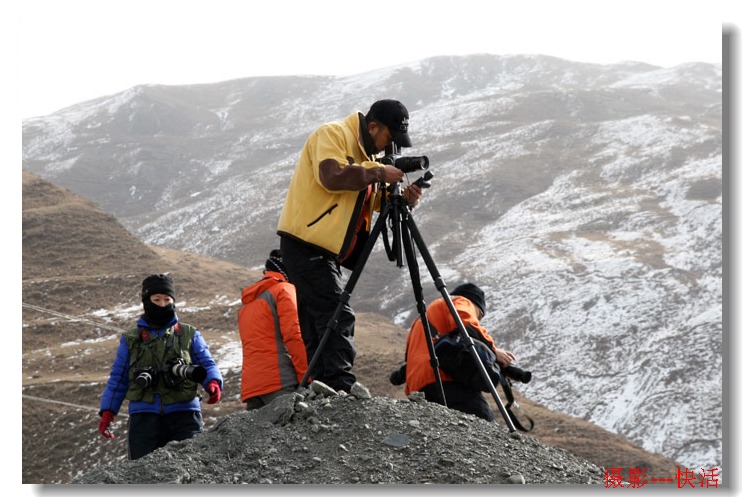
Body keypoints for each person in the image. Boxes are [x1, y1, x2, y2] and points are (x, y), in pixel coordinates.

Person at [276, 99, 424, 392]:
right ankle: (340, 386)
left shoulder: (366, 156)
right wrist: (379, 172)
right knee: (336, 314)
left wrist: (404, 200)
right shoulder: (331, 134)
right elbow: (332, 177)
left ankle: (320, 387)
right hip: (306, 242)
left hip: (324, 249)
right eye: (389, 138)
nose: (388, 148)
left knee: (318, 322)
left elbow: (363, 200)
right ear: (372, 127)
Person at [97, 273, 224, 460]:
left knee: (192, 470)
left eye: (167, 299)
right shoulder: (131, 339)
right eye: (156, 299)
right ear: (146, 301)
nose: (162, 304)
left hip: (185, 416)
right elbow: (119, 377)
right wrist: (108, 411)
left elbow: (206, 363)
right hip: (143, 418)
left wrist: (213, 382)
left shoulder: (189, 334)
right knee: (142, 477)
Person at [403, 283, 517, 422]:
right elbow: (465, 323)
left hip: (418, 388)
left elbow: (413, 356)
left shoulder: (422, 319)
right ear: (476, 305)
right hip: (442, 378)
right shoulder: (460, 301)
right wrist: (493, 350)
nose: (478, 320)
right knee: (483, 421)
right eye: (479, 315)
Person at [238, 249, 308, 409]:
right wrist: (306, 375)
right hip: (280, 382)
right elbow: (293, 336)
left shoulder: (247, 303)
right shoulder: (284, 289)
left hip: (252, 387)